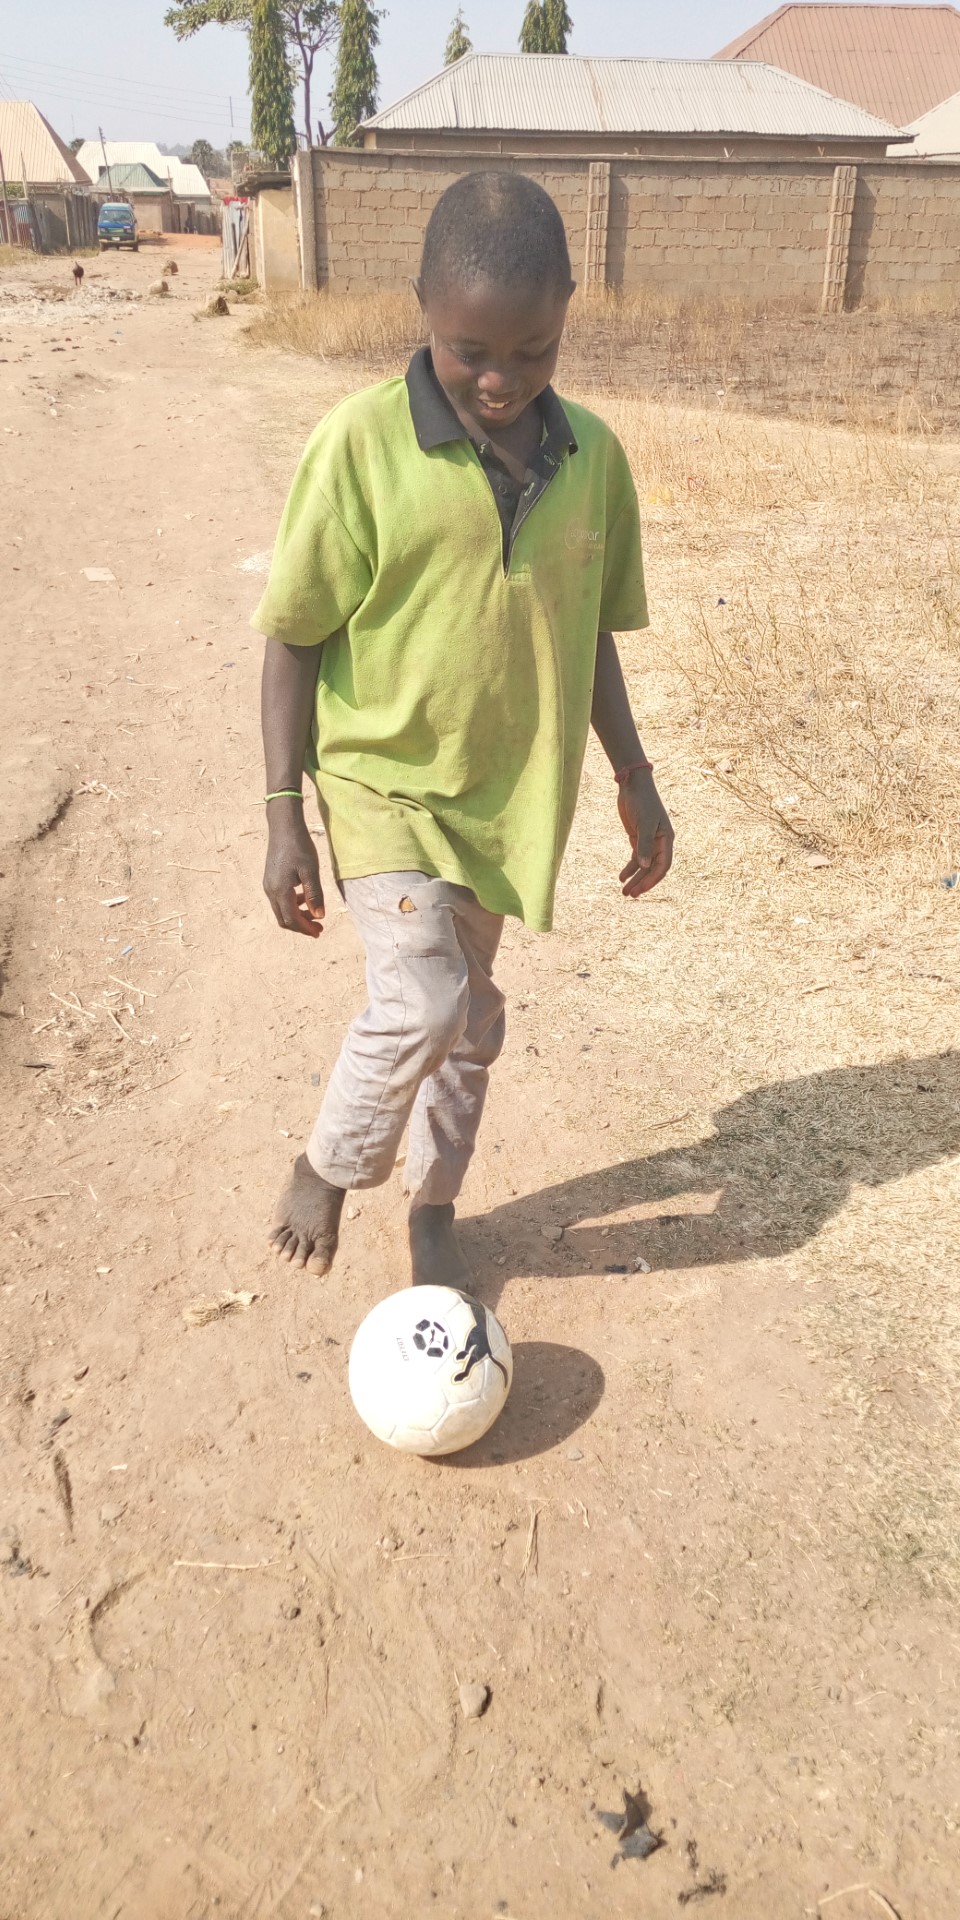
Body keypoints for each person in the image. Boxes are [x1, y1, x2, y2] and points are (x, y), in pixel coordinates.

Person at [253, 169, 674, 1288]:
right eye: (467, 350)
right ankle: (328, 1165)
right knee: (424, 1002)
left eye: (533, 351)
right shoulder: (358, 445)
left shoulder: (592, 459)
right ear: (424, 309)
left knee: (472, 1024)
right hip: (380, 785)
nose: (499, 379)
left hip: (504, 801)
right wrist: (283, 813)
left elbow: (589, 633)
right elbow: (293, 638)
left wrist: (635, 773)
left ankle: (434, 1207)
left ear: (568, 311)